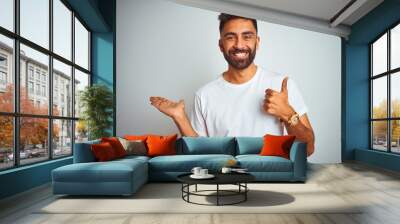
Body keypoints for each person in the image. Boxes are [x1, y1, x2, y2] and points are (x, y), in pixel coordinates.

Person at [150, 13, 315, 156]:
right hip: (226, 186)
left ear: (257, 42)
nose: (239, 44)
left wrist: (288, 115)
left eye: (247, 36)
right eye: (231, 37)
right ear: (221, 45)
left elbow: (308, 150)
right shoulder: (204, 95)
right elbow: (199, 153)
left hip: (274, 180)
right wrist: (180, 118)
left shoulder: (282, 85)